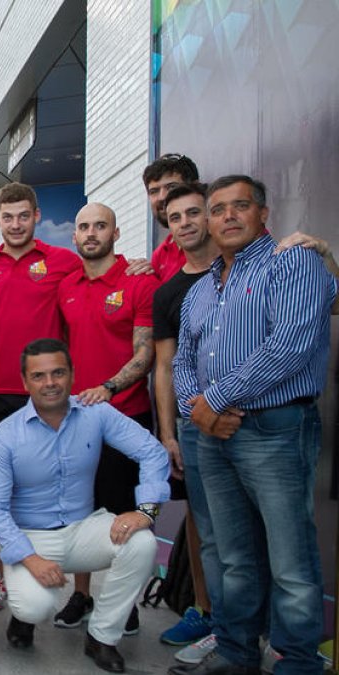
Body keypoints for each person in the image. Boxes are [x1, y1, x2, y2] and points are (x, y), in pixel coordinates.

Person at [170, 176, 335, 675]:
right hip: (210, 437)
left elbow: (290, 346)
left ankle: (298, 661)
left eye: (240, 206)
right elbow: (182, 361)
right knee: (232, 557)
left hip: (275, 432)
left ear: (263, 213)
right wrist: (195, 409)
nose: (228, 216)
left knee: (290, 559)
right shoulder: (200, 290)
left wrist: (213, 400)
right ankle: (238, 653)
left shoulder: (295, 264)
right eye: (217, 209)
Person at [0, 339, 169, 673]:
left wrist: (146, 511)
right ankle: (24, 618)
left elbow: (151, 451)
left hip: (84, 528)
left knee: (142, 543)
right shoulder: (4, 436)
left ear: (71, 375)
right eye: (39, 376)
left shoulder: (95, 413)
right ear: (25, 382)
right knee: (35, 606)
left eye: (58, 373)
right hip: (32, 537)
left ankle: (102, 636)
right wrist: (31, 559)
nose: (50, 382)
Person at [0, 182, 81, 611]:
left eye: (23, 216)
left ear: (36, 216)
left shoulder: (64, 264)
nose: (15, 224)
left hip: (49, 397)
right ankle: (2, 577)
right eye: (7, 217)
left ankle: (79, 593)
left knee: (62, 489)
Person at [53, 202, 159, 634]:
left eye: (100, 226)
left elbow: (146, 353)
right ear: (75, 237)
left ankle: (123, 602)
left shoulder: (140, 282)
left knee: (120, 514)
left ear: (116, 233)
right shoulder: (68, 285)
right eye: (83, 227)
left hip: (125, 417)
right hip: (77, 422)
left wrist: (109, 388)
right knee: (80, 512)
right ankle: (81, 594)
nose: (91, 233)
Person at [150, 182, 224, 661]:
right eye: (175, 218)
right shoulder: (170, 292)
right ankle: (205, 609)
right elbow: (165, 366)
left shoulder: (247, 273)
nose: (185, 224)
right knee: (203, 525)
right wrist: (170, 432)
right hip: (196, 427)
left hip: (256, 424)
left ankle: (266, 631)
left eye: (194, 213)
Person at [144, 154, 201, 282]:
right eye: (154, 191)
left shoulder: (218, 242)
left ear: (196, 187)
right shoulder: (160, 255)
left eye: (171, 187)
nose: (162, 197)